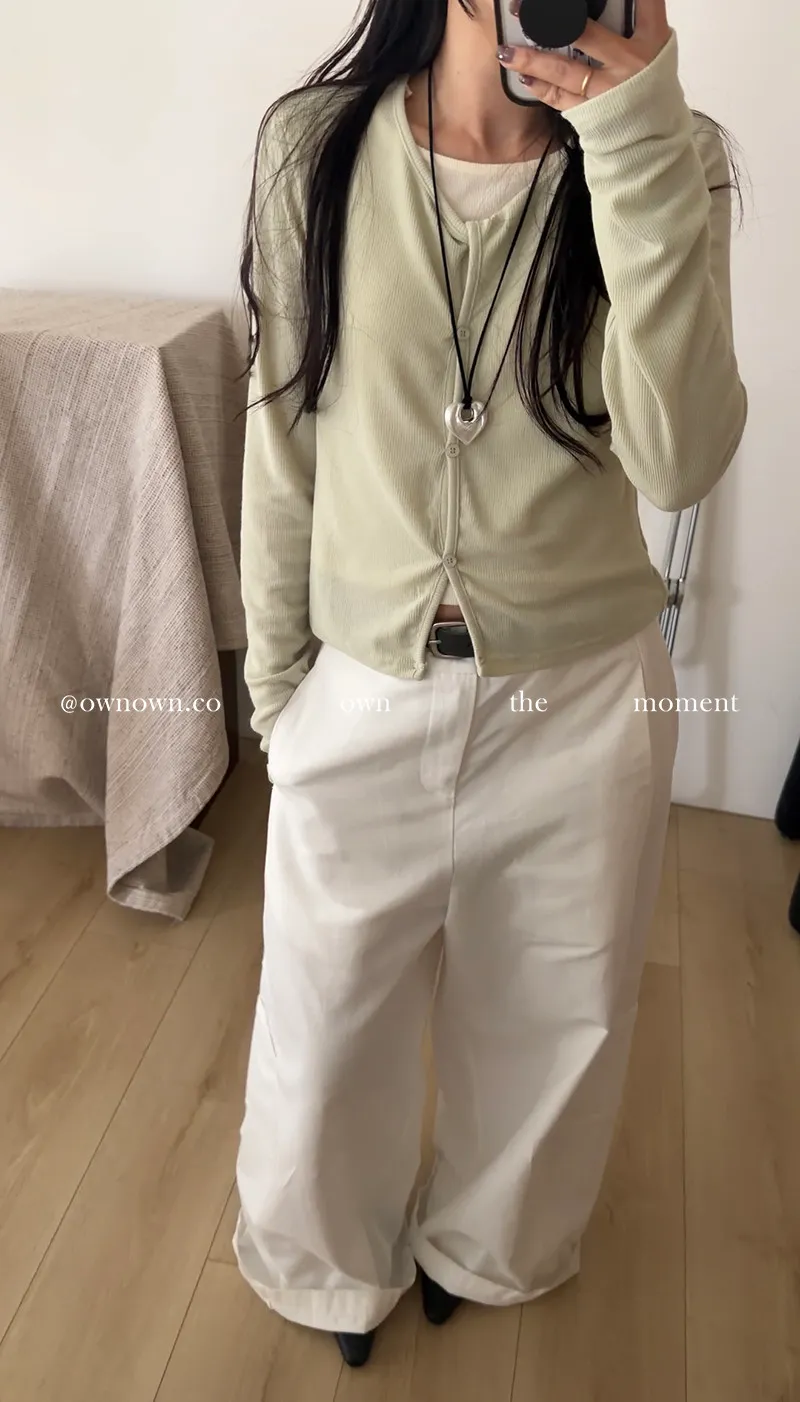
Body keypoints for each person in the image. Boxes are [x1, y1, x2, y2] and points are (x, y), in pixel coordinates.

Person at [233, 0, 747, 1371]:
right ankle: (325, 1261)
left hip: (583, 703)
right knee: (323, 1023)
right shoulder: (314, 147)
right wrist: (279, 695)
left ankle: (489, 1247)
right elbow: (281, 429)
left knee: (552, 1015)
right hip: (362, 680)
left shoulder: (672, 153)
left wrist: (631, 135)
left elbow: (682, 458)